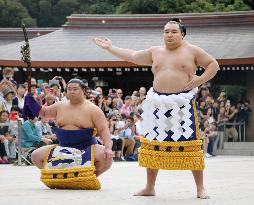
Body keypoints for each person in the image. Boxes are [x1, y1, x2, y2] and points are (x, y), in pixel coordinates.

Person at [93, 18, 219, 198]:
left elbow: (213, 64)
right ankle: (149, 187)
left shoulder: (192, 51)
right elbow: (132, 56)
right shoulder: (155, 52)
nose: (169, 34)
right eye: (166, 31)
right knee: (153, 145)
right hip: (157, 105)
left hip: (182, 104)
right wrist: (110, 48)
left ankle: (200, 188)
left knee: (191, 145)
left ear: (182, 34)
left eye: (174, 31)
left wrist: (199, 80)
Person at [24, 78, 112, 190]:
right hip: (62, 147)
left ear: (84, 91)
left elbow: (104, 130)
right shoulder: (60, 106)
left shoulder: (93, 109)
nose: (71, 91)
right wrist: (32, 100)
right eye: (69, 89)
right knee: (35, 156)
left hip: (86, 147)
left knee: (107, 158)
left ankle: (88, 177)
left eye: (75, 89)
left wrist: (108, 147)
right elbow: (44, 113)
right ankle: (58, 178)